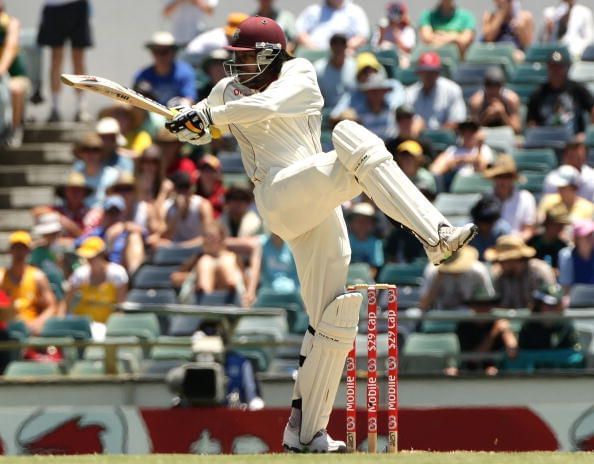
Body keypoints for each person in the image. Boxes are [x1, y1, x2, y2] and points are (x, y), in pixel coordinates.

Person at [163, 16, 476, 452]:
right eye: (235, 58)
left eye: (247, 57)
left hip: (314, 199)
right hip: (277, 195)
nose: (237, 67)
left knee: (334, 318)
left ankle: (305, 435)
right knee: (350, 138)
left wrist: (209, 114)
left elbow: (266, 107)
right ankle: (436, 236)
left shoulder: (300, 74)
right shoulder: (225, 93)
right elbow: (206, 128)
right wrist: (187, 124)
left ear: (271, 55)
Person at [36, 0, 92, 122]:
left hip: (78, 5)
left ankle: (81, 108)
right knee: (56, 59)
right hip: (54, 7)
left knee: (78, 59)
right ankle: (54, 108)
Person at [60, 236, 128, 334]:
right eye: (87, 258)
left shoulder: (117, 273)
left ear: (101, 255)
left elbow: (120, 306)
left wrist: (113, 328)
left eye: (92, 258)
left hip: (109, 325)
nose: (89, 261)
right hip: (83, 326)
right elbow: (66, 302)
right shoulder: (80, 274)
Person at [526, 49, 594, 136]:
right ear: (548, 68)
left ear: (566, 68)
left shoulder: (577, 89)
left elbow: (592, 107)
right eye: (552, 67)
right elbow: (531, 122)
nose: (556, 71)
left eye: (559, 67)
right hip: (546, 139)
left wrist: (587, 135)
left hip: (572, 141)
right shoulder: (539, 93)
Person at [0, 231, 56, 335]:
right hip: (6, 330)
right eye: (16, 248)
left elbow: (51, 306)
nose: (19, 252)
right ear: (10, 250)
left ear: (28, 251)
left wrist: (39, 322)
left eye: (23, 248)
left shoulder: (37, 276)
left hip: (30, 328)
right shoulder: (1, 277)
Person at [485, 235, 557, 309]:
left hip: (538, 318)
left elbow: (552, 301)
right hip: (511, 318)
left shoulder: (540, 271)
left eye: (502, 261)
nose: (500, 265)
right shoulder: (500, 275)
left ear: (513, 260)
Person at [79, 195, 146, 275]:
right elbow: (78, 243)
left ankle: (135, 276)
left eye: (116, 213)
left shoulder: (128, 229)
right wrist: (107, 239)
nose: (113, 216)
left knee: (134, 237)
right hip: (103, 271)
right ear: (104, 214)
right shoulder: (98, 232)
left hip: (124, 269)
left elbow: (147, 235)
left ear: (123, 214)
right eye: (110, 212)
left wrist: (124, 226)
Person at [330, 73, 404, 140]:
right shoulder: (357, 112)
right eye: (372, 91)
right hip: (367, 150)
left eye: (379, 90)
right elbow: (333, 118)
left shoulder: (392, 109)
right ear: (367, 93)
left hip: (390, 148)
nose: (376, 94)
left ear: (384, 91)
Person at [419, 245, 495, 310]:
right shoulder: (433, 270)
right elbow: (424, 305)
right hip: (439, 315)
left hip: (471, 317)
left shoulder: (478, 271)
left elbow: (488, 301)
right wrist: (437, 281)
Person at [406, 51, 466, 130]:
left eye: (432, 72)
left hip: (445, 139)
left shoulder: (452, 90)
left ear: (438, 73)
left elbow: (457, 121)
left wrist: (435, 136)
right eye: (425, 72)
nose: (428, 76)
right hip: (418, 138)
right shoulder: (410, 93)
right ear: (419, 73)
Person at [134, 31, 196, 107]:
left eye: (164, 52)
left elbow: (189, 99)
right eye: (157, 51)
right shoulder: (143, 75)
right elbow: (133, 101)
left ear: (174, 53)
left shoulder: (184, 72)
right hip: (151, 115)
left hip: (176, 115)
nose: (160, 56)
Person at [483, 154, 536, 241]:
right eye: (499, 177)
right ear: (494, 178)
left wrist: (515, 242)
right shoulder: (484, 199)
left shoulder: (526, 198)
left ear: (512, 178)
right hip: (490, 245)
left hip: (517, 245)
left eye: (507, 177)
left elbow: (528, 230)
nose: (503, 181)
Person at [429, 118, 494, 188]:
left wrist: (479, 148)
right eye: (464, 130)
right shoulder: (452, 150)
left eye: (472, 130)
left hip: (477, 187)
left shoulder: (484, 149)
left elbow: (482, 170)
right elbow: (435, 170)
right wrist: (457, 161)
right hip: (455, 187)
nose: (468, 134)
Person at [0, 0, 30, 147]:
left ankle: (14, 129)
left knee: (15, 89)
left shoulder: (11, 23)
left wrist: (1, 70)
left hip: (14, 77)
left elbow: (10, 48)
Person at [161, 171, 214, 247]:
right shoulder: (166, 207)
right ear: (173, 189)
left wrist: (184, 247)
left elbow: (209, 235)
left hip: (196, 248)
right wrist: (179, 212)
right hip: (173, 249)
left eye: (186, 187)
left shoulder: (202, 205)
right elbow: (165, 237)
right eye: (180, 188)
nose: (183, 192)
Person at [295, 0, 370, 52]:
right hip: (313, 54)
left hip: (343, 56)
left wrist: (340, 49)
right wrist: (315, 49)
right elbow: (300, 34)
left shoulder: (355, 11)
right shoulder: (313, 10)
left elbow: (362, 37)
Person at [469, 66, 522, 134]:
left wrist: (502, 114)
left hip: (506, 137)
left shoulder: (511, 100)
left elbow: (517, 130)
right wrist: (486, 117)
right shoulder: (476, 102)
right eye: (489, 85)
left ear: (501, 86)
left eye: (496, 86)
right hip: (483, 137)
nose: (493, 90)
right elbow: (471, 133)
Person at [73, 132, 119, 209]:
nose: (90, 154)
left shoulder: (113, 176)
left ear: (101, 153)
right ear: (80, 153)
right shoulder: (75, 178)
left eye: (95, 150)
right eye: (86, 150)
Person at [29, 211, 66, 302]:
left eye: (54, 233)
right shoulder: (36, 251)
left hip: (61, 293)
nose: (51, 236)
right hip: (42, 294)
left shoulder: (65, 250)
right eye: (48, 233)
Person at [313, 33, 356, 111]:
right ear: (330, 46)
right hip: (327, 112)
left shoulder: (355, 66)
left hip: (351, 111)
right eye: (335, 43)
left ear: (346, 46)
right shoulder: (318, 68)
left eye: (341, 44)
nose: (338, 47)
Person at [53, 171, 101, 239]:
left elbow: (86, 238)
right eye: (71, 189)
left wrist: (68, 224)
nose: (75, 193)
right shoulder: (58, 210)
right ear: (65, 192)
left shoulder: (91, 214)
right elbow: (38, 210)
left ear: (84, 193)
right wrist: (59, 217)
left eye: (78, 190)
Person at [346, 202, 384, 277]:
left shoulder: (375, 243)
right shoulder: (346, 240)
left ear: (372, 224)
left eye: (366, 221)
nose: (362, 224)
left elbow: (374, 267)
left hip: (365, 282)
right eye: (359, 220)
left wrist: (364, 281)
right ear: (352, 223)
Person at [373, 2, 416, 68]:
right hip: (382, 58)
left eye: (398, 12)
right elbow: (375, 47)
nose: (395, 15)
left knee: (405, 62)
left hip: (401, 59)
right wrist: (382, 33)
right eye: (392, 11)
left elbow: (408, 50)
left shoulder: (408, 29)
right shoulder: (382, 27)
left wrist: (396, 35)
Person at [469, 195, 511, 260]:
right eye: (483, 222)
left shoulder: (503, 231)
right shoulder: (467, 231)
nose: (486, 226)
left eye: (489, 222)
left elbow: (507, 255)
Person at [527, 206, 570, 270]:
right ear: (548, 224)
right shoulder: (532, 242)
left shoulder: (563, 247)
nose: (560, 228)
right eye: (557, 225)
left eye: (562, 226)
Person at [558, 219, 594, 291]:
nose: (591, 238)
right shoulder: (566, 255)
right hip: (574, 299)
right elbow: (565, 285)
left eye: (592, 234)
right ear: (577, 238)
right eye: (587, 235)